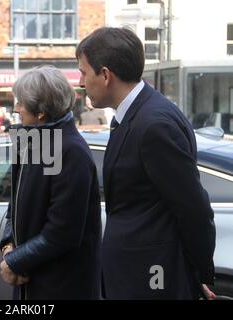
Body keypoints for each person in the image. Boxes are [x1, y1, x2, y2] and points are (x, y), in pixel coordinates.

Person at [76, 27, 216, 299]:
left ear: (105, 75)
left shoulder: (154, 124)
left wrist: (198, 273)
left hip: (151, 280)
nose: (81, 82)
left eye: (83, 72)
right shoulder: (139, 114)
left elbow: (193, 209)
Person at [0, 65, 102, 300]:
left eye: (21, 103)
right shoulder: (32, 142)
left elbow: (62, 232)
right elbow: (13, 204)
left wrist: (14, 261)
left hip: (61, 286)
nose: (16, 108)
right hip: (32, 282)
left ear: (41, 113)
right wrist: (7, 247)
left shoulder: (71, 151)